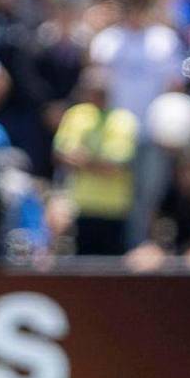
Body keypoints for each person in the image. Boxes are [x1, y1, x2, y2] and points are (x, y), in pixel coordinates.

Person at [52, 68, 138, 255]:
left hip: (113, 209)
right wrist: (95, 163)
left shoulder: (123, 120)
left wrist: (83, 160)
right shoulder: (75, 115)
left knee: (111, 270)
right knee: (82, 268)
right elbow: (60, 154)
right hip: (82, 206)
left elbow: (116, 165)